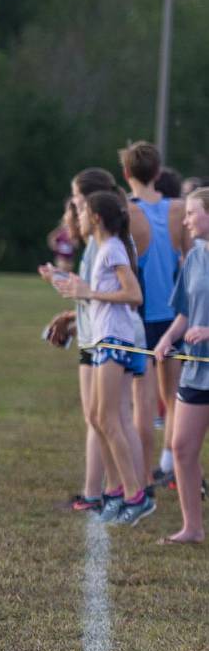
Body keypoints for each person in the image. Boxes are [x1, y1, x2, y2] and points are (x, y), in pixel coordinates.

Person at [54, 190, 155, 526]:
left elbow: (134, 295)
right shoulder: (104, 250)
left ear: (96, 218)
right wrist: (74, 290)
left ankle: (134, 495)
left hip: (115, 339)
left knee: (109, 421)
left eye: (83, 213)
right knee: (98, 418)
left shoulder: (112, 248)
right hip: (103, 338)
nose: (78, 217)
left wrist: (89, 292)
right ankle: (117, 493)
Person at [120, 141, 186, 489]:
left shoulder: (124, 212)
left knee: (142, 402)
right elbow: (191, 266)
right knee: (173, 398)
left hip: (142, 316)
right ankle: (171, 463)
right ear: (158, 173)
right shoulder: (179, 209)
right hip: (174, 317)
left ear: (126, 173)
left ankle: (144, 477)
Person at [154, 186, 209, 544]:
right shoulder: (194, 256)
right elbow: (185, 312)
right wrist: (167, 338)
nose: (185, 220)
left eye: (192, 212)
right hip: (196, 370)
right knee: (183, 447)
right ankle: (192, 528)